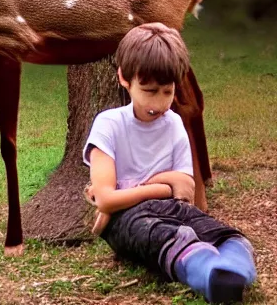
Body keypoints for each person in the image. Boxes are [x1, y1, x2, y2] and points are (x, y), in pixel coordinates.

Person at [83, 22, 256, 304]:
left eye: (167, 91)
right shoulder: (109, 124)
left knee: (229, 236)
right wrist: (163, 185)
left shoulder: (174, 123)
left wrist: (139, 189)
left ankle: (232, 268)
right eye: (150, 90)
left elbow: (185, 189)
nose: (161, 103)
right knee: (157, 234)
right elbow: (105, 200)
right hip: (127, 218)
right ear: (124, 78)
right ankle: (207, 271)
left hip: (172, 209)